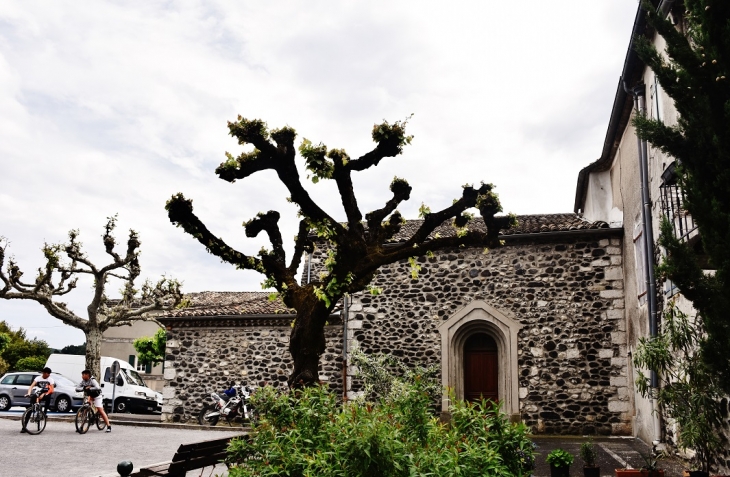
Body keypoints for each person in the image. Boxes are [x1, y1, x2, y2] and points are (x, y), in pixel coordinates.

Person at [21, 367, 55, 433]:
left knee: (48, 397)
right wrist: (28, 393)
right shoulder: (38, 378)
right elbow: (31, 386)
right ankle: (24, 427)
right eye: (48, 374)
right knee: (30, 408)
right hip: (38, 393)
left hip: (46, 393)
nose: (49, 375)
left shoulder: (50, 380)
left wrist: (44, 394)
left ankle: (44, 413)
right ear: (44, 373)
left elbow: (52, 390)